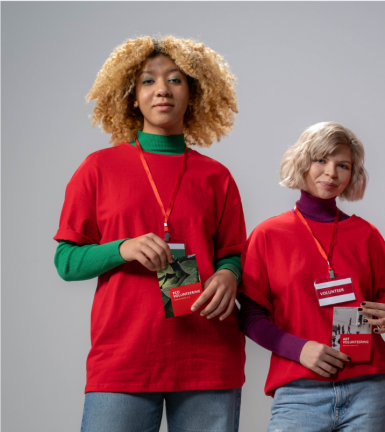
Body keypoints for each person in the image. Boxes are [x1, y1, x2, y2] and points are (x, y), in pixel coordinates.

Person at [54, 36, 246, 432]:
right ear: (131, 97)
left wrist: (229, 274)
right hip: (125, 357)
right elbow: (67, 262)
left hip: (207, 356)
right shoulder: (98, 169)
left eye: (176, 80)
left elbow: (233, 253)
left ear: (193, 94)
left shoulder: (217, 176)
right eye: (148, 81)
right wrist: (122, 248)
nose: (162, 89)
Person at [238, 122, 385, 431]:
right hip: (299, 391)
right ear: (303, 162)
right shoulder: (268, 235)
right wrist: (298, 349)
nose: (331, 173)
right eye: (321, 160)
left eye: (343, 165)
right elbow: (250, 316)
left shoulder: (367, 236)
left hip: (368, 391)